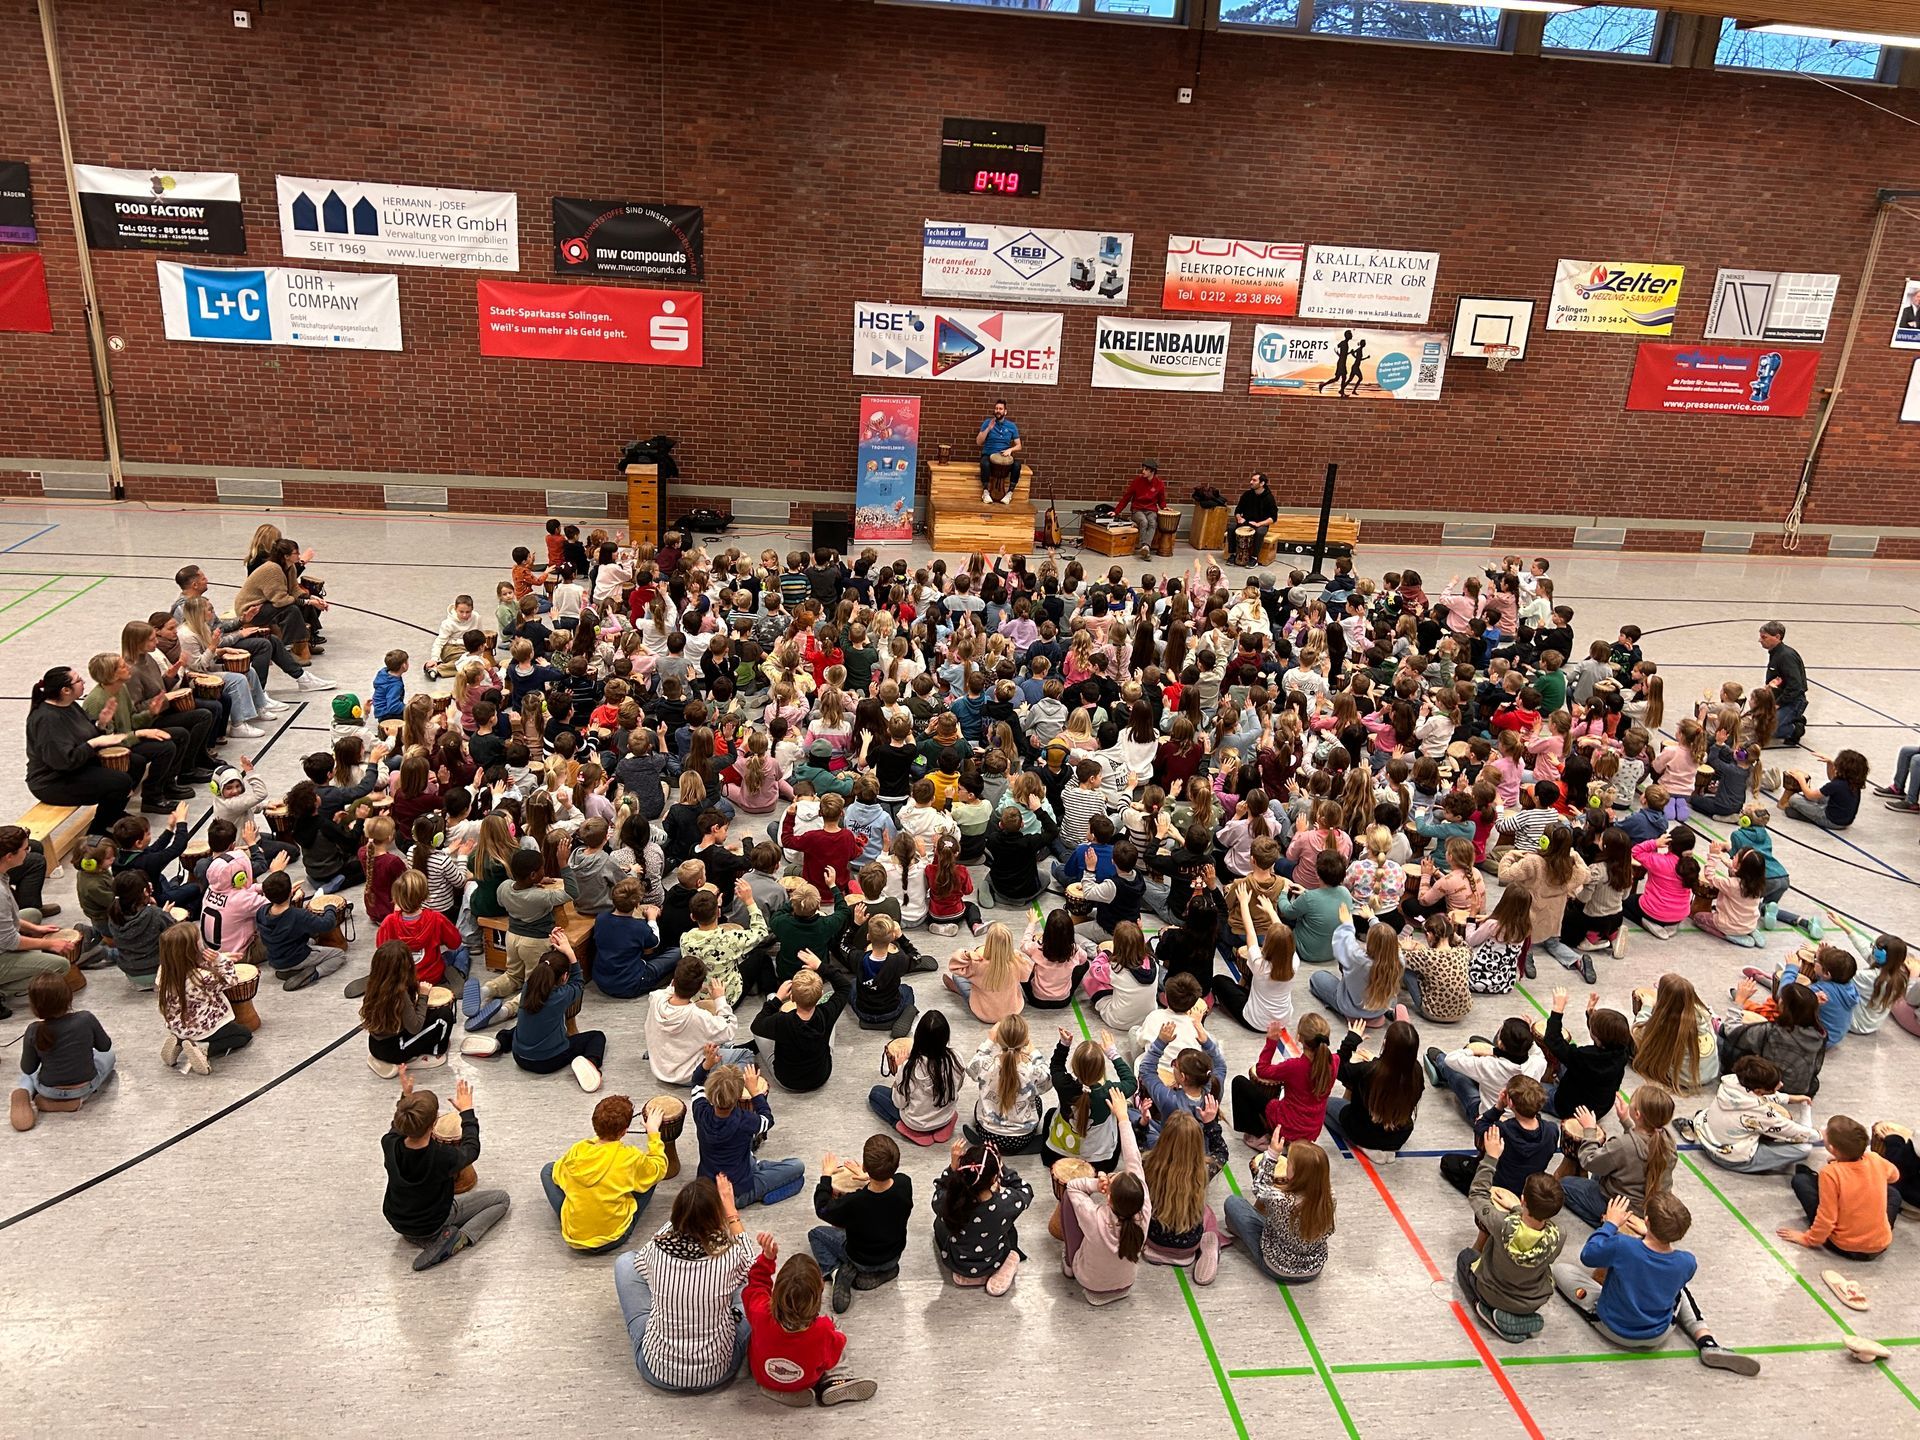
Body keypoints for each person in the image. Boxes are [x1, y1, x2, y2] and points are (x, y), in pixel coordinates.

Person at [1552, 1192, 1759, 1374]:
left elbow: (1588, 1255)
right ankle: (1706, 1340)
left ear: (1647, 1220)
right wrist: (1649, 1235)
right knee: (1680, 1290)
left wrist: (1610, 1224)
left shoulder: (1623, 1246)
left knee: (1562, 1270)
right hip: (1658, 1333)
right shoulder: (1686, 1262)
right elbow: (1655, 1259)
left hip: (1614, 1328)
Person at [615, 1175, 756, 1393]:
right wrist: (731, 1210)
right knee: (752, 1289)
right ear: (717, 1218)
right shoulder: (731, 1256)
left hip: (657, 1370)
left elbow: (641, 1266)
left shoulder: (656, 1249)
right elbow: (754, 1269)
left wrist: (686, 1212)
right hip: (719, 1371)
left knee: (625, 1262)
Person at [380, 1070, 510, 1272]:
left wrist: (405, 1097)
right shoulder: (444, 1157)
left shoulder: (389, 1143)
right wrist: (467, 1112)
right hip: (433, 1223)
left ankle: (420, 1237)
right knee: (502, 1199)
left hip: (398, 1221)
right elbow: (471, 1149)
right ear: (434, 1124)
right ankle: (458, 1238)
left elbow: (395, 1127)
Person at [743, 1235, 878, 1407]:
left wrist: (766, 1259)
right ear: (820, 1290)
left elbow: (757, 1285)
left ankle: (774, 1389)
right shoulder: (823, 1329)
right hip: (805, 1380)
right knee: (833, 1324)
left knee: (753, 1328)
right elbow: (831, 1357)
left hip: (764, 1377)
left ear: (777, 1289)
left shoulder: (759, 1311)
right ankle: (838, 1379)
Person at [1458, 1126, 1565, 1342]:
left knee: (1464, 1258)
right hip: (1534, 1300)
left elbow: (1477, 1194)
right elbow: (1532, 1229)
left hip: (1495, 1294)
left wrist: (1491, 1157)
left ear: (1524, 1198)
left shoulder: (1502, 1225)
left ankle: (1485, 1309)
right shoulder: (1559, 1235)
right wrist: (1517, 1209)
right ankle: (1520, 1316)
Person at [542, 1094, 668, 1252]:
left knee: (548, 1169)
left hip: (575, 1237)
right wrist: (653, 1133)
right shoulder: (631, 1157)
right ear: (624, 1131)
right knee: (651, 1172)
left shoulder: (578, 1149)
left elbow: (557, 1176)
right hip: (614, 1237)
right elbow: (661, 1168)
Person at [1059, 1089, 1150, 1305]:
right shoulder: (1144, 1205)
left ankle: (1070, 1266)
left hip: (1089, 1283)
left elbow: (1072, 1187)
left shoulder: (1096, 1217)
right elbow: (1133, 1157)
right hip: (1127, 1283)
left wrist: (1095, 1185)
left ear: (1108, 1199)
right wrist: (1123, 1117)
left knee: (1069, 1202)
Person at [810, 1133, 914, 1312]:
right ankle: (885, 1272)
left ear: (864, 1166)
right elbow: (885, 1196)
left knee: (815, 1234)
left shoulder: (854, 1202)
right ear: (896, 1166)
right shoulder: (905, 1183)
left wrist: (826, 1176)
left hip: (861, 1259)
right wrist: (868, 1179)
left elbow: (823, 1209)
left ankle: (837, 1272)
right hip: (893, 1255)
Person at [1778, 1115, 1901, 1260]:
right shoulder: (1874, 1158)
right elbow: (1895, 1176)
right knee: (1893, 1193)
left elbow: (1827, 1217)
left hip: (1845, 1246)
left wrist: (1808, 1239)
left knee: (1801, 1180)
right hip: (1879, 1245)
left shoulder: (1830, 1172)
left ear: (1832, 1149)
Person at [10, 971, 114, 1130]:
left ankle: (24, 1091)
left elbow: (28, 1068)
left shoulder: (34, 1030)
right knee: (108, 1056)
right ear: (69, 997)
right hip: (84, 1086)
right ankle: (76, 1100)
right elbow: (105, 1046)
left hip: (48, 1090)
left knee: (27, 1074)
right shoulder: (86, 1018)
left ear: (34, 1006)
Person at [1682, 1055, 1820, 1175]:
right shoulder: (1759, 1112)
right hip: (1731, 1158)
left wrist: (1788, 1098)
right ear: (1760, 1090)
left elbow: (1756, 1097)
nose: (1781, 1084)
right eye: (1775, 1086)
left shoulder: (1732, 1082)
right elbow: (1795, 1133)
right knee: (1804, 1148)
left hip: (1707, 1136)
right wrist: (1819, 1134)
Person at [1222, 1138, 1334, 1283]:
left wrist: (1272, 1155)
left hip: (1278, 1267)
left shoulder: (1280, 1199)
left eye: (1289, 1163)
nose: (1286, 1164)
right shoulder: (1329, 1197)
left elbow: (1259, 1186)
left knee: (1233, 1203)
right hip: (1313, 1268)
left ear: (1295, 1174)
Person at [931, 1138, 1033, 1296]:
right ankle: (1005, 1264)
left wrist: (952, 1168)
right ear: (994, 1179)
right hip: (994, 1260)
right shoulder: (1006, 1204)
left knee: (939, 1224)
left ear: (962, 1173)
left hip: (957, 1262)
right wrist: (1002, 1168)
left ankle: (968, 1275)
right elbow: (1025, 1190)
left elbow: (940, 1188)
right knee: (1009, 1229)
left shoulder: (949, 1202)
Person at [359, 939, 456, 1077]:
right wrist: (423, 996)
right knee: (444, 1016)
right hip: (396, 1050)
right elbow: (415, 1027)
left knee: (428, 1014)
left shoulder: (374, 984)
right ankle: (434, 1052)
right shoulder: (399, 994)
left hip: (375, 1045)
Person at [1757, 620, 1806, 746]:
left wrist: (1778, 704)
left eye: (1764, 637)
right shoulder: (1776, 653)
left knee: (1767, 731)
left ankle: (1794, 728)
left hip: (1792, 702)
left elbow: (1795, 686)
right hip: (1777, 699)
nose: (1760, 640)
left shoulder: (1786, 657)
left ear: (1777, 637)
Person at [975, 399, 1023, 503]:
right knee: (985, 463)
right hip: (989, 454)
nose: (998, 411)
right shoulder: (988, 422)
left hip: (1004, 456)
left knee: (1017, 465)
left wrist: (1010, 449)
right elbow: (978, 442)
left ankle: (1010, 493)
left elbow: (1019, 446)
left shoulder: (1011, 426)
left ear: (1005, 412)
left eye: (1000, 409)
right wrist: (988, 429)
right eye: (996, 408)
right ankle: (985, 491)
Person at [1231, 471, 1279, 563]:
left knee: (1260, 532)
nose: (1251, 482)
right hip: (1246, 521)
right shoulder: (1247, 495)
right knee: (1231, 527)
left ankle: (1254, 558)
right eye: (1251, 480)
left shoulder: (1269, 498)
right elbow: (1238, 510)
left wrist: (1259, 524)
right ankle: (1233, 554)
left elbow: (1273, 518)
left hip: (1261, 524)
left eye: (1254, 480)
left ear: (1262, 483)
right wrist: (1239, 518)